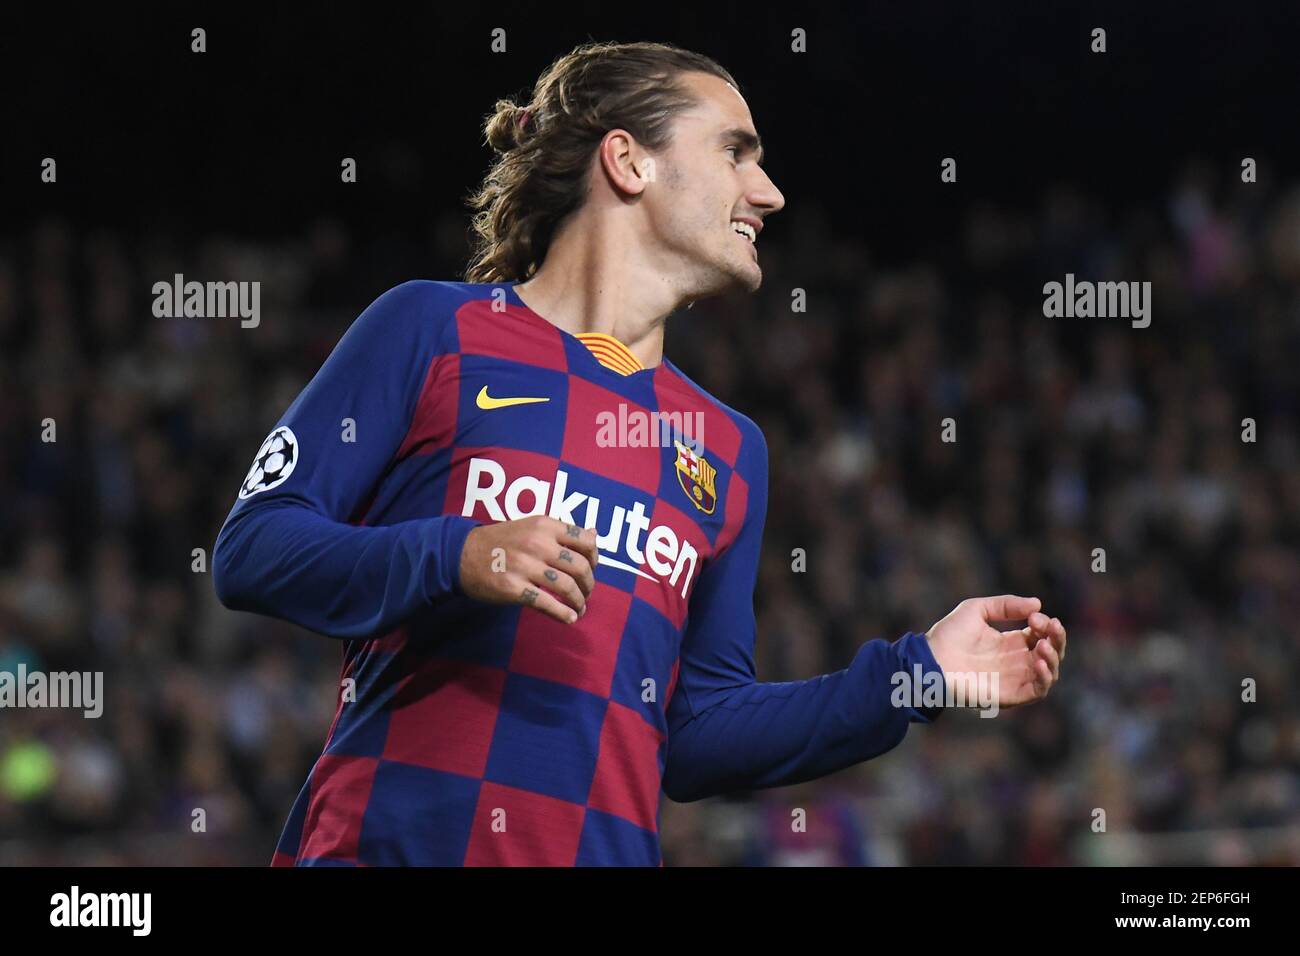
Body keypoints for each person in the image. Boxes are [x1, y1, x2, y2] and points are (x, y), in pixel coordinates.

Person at [213, 40, 1067, 866]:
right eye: (735, 151)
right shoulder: (433, 330)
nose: (766, 193)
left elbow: (695, 736)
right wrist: (456, 552)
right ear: (628, 162)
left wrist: (916, 676)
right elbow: (252, 550)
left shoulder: (727, 449)